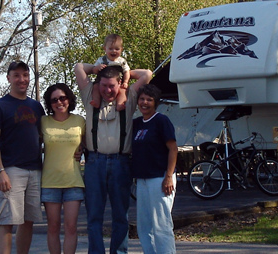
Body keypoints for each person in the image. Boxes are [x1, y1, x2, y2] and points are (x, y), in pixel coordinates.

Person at [74, 63, 152, 254]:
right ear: (97, 85)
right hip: (94, 162)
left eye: (112, 86)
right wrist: (96, 69)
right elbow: (78, 68)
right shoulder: (90, 96)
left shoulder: (130, 97)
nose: (108, 90)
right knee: (94, 216)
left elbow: (147, 74)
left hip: (121, 163)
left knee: (120, 216)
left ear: (120, 85)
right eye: (103, 85)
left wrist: (125, 75)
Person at [0, 61, 45, 254]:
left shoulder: (36, 107)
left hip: (35, 171)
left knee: (27, 221)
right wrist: (0, 170)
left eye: (25, 75)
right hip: (11, 171)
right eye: (17, 75)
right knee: (7, 221)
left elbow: (44, 138)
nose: (22, 79)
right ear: (9, 78)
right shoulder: (0, 106)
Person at [131, 84, 178, 254]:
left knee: (161, 225)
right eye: (142, 99)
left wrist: (168, 176)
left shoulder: (161, 121)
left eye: (149, 100)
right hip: (142, 180)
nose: (144, 102)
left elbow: (173, 149)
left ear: (155, 102)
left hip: (160, 179)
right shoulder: (136, 123)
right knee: (144, 226)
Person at [41, 83, 86, 254]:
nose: (59, 102)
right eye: (54, 100)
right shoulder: (43, 121)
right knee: (52, 227)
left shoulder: (79, 121)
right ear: (49, 103)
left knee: (71, 227)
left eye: (62, 98)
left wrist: (81, 148)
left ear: (69, 99)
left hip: (73, 182)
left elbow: (88, 144)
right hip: (50, 182)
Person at [91, 34, 130, 112]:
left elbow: (127, 71)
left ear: (121, 49)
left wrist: (125, 82)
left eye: (117, 49)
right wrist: (97, 68)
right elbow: (93, 71)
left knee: (123, 91)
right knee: (95, 87)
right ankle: (96, 101)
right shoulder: (101, 60)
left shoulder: (122, 61)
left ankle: (120, 104)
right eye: (111, 49)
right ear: (105, 49)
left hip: (117, 82)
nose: (114, 51)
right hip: (101, 81)